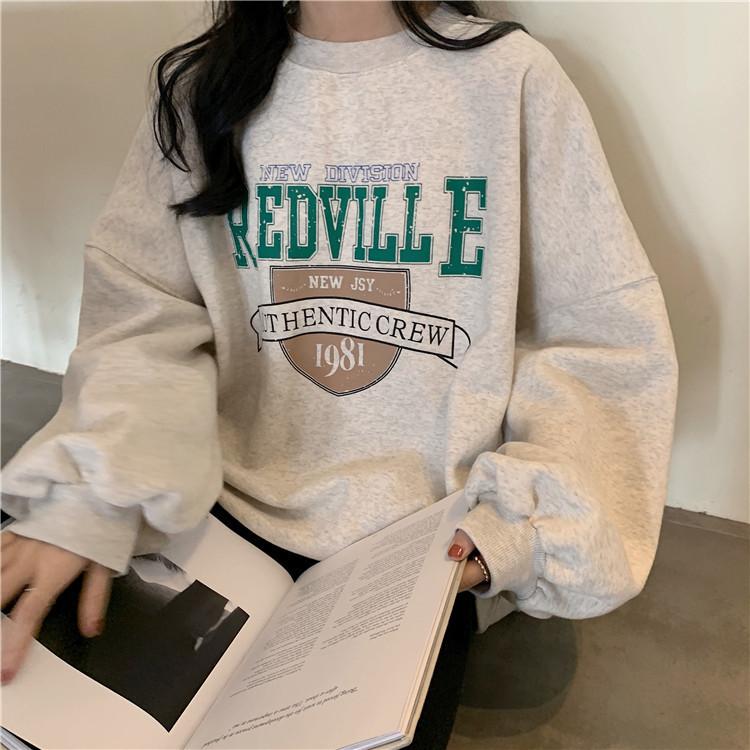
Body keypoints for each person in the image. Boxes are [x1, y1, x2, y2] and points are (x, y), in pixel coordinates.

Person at [0, 1, 679, 747]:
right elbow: (145, 311)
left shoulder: (511, 78)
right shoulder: (202, 88)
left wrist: (515, 532)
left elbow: (600, 337)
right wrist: (91, 494)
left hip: (419, 547)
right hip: (212, 513)